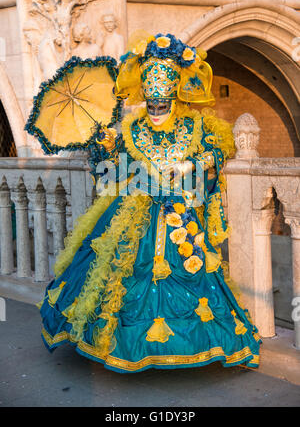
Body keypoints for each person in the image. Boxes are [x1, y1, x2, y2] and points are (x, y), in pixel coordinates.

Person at [38, 33, 261, 373]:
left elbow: (219, 149)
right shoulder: (131, 130)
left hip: (180, 218)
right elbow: (113, 173)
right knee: (118, 274)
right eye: (152, 104)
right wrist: (102, 145)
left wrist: (192, 164)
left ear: (174, 95)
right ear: (145, 96)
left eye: (163, 104)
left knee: (192, 276)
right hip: (133, 213)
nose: (157, 111)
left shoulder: (196, 126)